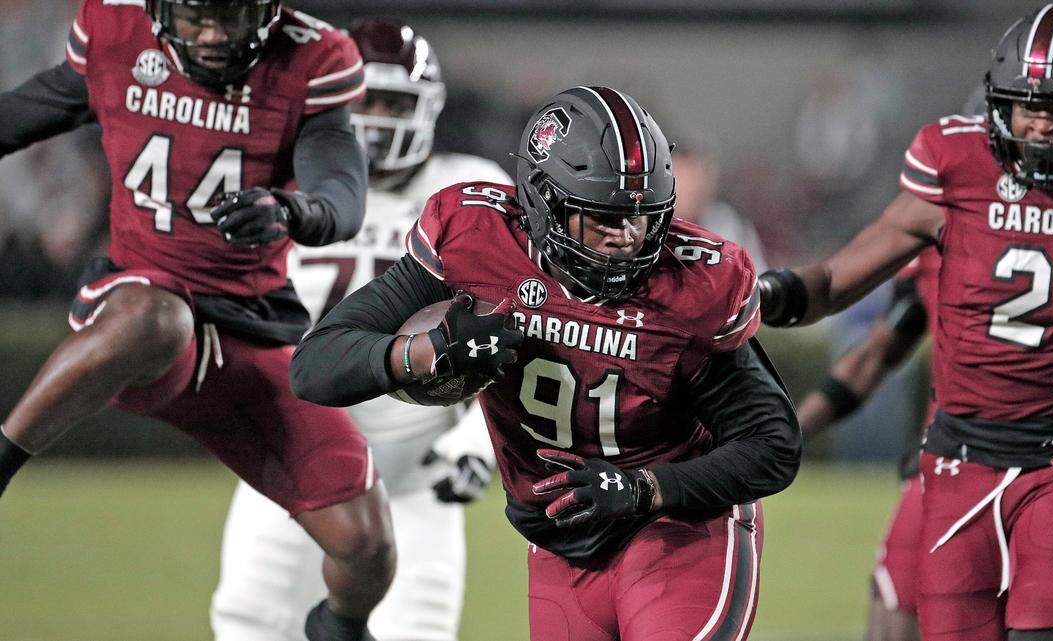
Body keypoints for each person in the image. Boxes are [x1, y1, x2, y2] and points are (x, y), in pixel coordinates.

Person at [289, 86, 802, 641]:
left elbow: (771, 444)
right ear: (543, 200)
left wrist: (644, 488)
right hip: (561, 537)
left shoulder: (693, 285)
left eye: (643, 218)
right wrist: (429, 352)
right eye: (601, 217)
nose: (626, 238)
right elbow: (316, 364)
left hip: (679, 522)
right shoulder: (476, 237)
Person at [0, 2, 397, 640]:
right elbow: (28, 108)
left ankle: (339, 631)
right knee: (156, 322)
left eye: (231, 17)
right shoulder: (116, 30)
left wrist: (293, 211)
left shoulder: (311, 56)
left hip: (252, 324)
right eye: (194, 18)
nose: (212, 36)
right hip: (138, 302)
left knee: (366, 546)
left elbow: (341, 195)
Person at [757, 6, 1053, 641]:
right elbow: (832, 282)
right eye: (1023, 108)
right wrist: (763, 293)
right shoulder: (955, 166)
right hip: (959, 459)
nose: (1038, 128)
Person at [209, 19, 510, 641]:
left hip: (416, 470)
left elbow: (525, 334)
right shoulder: (282, 188)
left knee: (416, 633)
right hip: (294, 453)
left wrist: (475, 446)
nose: (372, 119)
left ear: (428, 111)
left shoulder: (472, 194)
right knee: (251, 620)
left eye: (391, 102)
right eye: (359, 101)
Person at [797, 248, 937, 641]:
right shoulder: (940, 231)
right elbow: (878, 352)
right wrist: (787, 436)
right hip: (949, 461)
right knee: (894, 608)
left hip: (1051, 465)